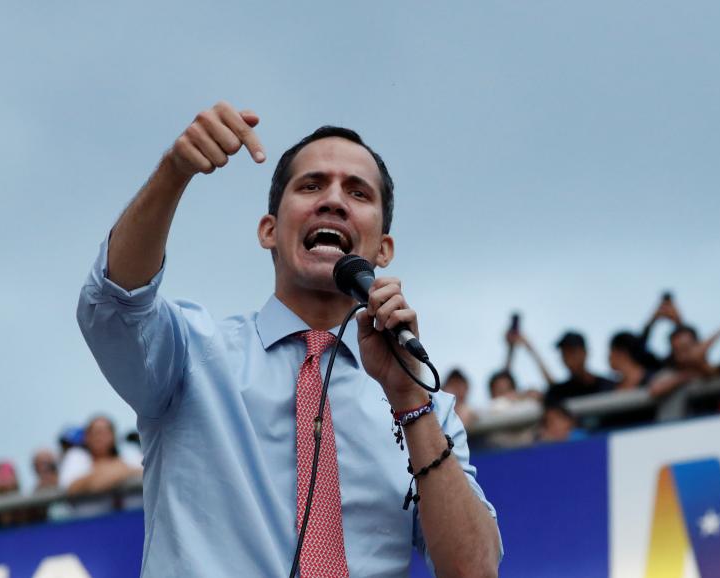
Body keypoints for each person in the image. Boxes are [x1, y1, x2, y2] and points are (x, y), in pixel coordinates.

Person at [77, 102, 500, 577]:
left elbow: (474, 571)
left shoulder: (426, 408)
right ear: (269, 231)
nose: (333, 201)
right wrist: (175, 171)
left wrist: (410, 403)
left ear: (383, 248)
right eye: (311, 185)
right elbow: (113, 303)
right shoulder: (192, 354)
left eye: (358, 192)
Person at [60, 415, 143, 518]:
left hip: (131, 519)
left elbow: (145, 473)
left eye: (105, 432)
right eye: (95, 433)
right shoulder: (76, 456)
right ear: (87, 437)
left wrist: (101, 473)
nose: (99, 437)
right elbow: (70, 488)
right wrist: (119, 470)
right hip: (90, 522)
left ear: (113, 436)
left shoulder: (129, 453)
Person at [543, 331, 615, 404]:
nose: (568, 358)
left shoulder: (609, 386)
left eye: (571, 352)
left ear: (584, 353)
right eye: (564, 354)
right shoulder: (557, 392)